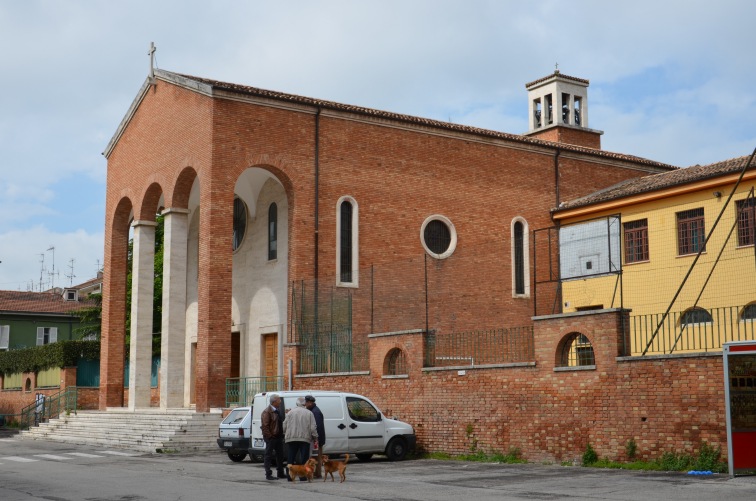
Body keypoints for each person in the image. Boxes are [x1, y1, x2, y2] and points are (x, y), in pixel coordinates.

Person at [283, 396, 318, 477]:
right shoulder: (309, 413)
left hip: (292, 438)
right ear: (304, 404)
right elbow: (313, 427)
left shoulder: (290, 413)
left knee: (291, 457)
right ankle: (303, 476)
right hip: (304, 439)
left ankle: (289, 476)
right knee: (304, 459)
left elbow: (284, 425)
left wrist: (285, 433)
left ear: (296, 403)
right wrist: (315, 437)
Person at [260, 394, 287, 480]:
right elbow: (265, 426)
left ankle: (280, 473)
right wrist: (270, 437)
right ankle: (268, 474)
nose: (280, 402)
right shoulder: (267, 412)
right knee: (268, 455)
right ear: (274, 402)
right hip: (271, 437)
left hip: (278, 437)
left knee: (280, 455)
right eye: (279, 400)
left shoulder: (276, 410)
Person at [304, 394, 326, 478]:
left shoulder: (315, 412)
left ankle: (317, 473)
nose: (305, 405)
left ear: (310, 402)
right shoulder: (314, 410)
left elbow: (318, 426)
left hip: (317, 439)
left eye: (306, 403)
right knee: (316, 456)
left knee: (316, 456)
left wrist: (316, 439)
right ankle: (316, 473)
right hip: (317, 438)